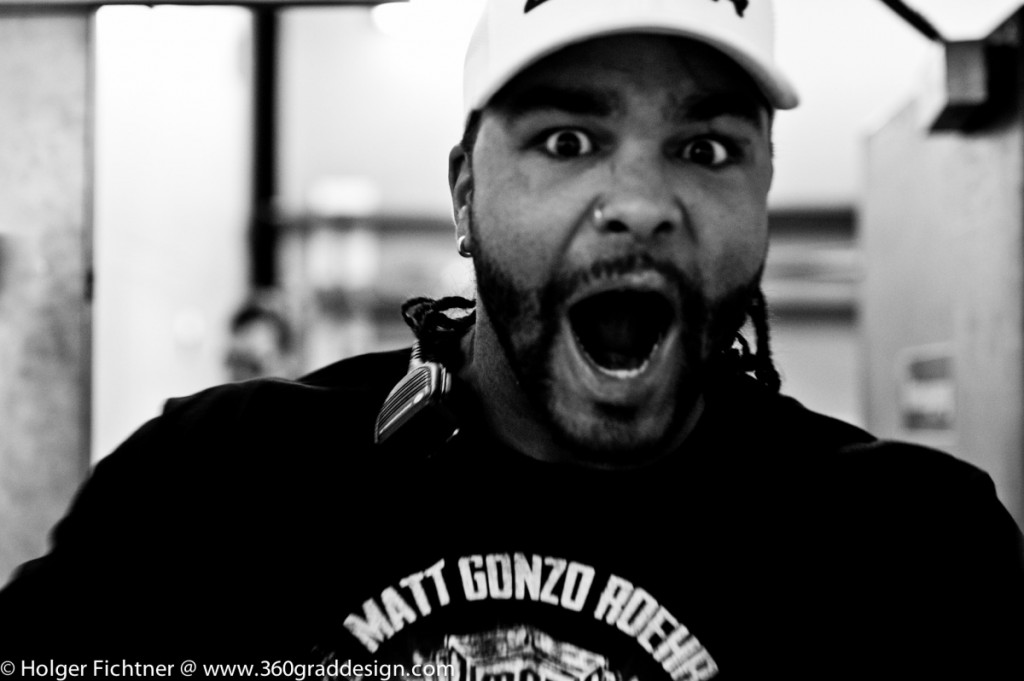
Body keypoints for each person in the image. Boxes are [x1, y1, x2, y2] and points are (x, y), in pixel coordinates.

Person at [1, 1, 1022, 679]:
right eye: (567, 141)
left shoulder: (910, 553)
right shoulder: (219, 491)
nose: (639, 203)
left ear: (763, 191)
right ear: (464, 191)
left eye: (706, 149)